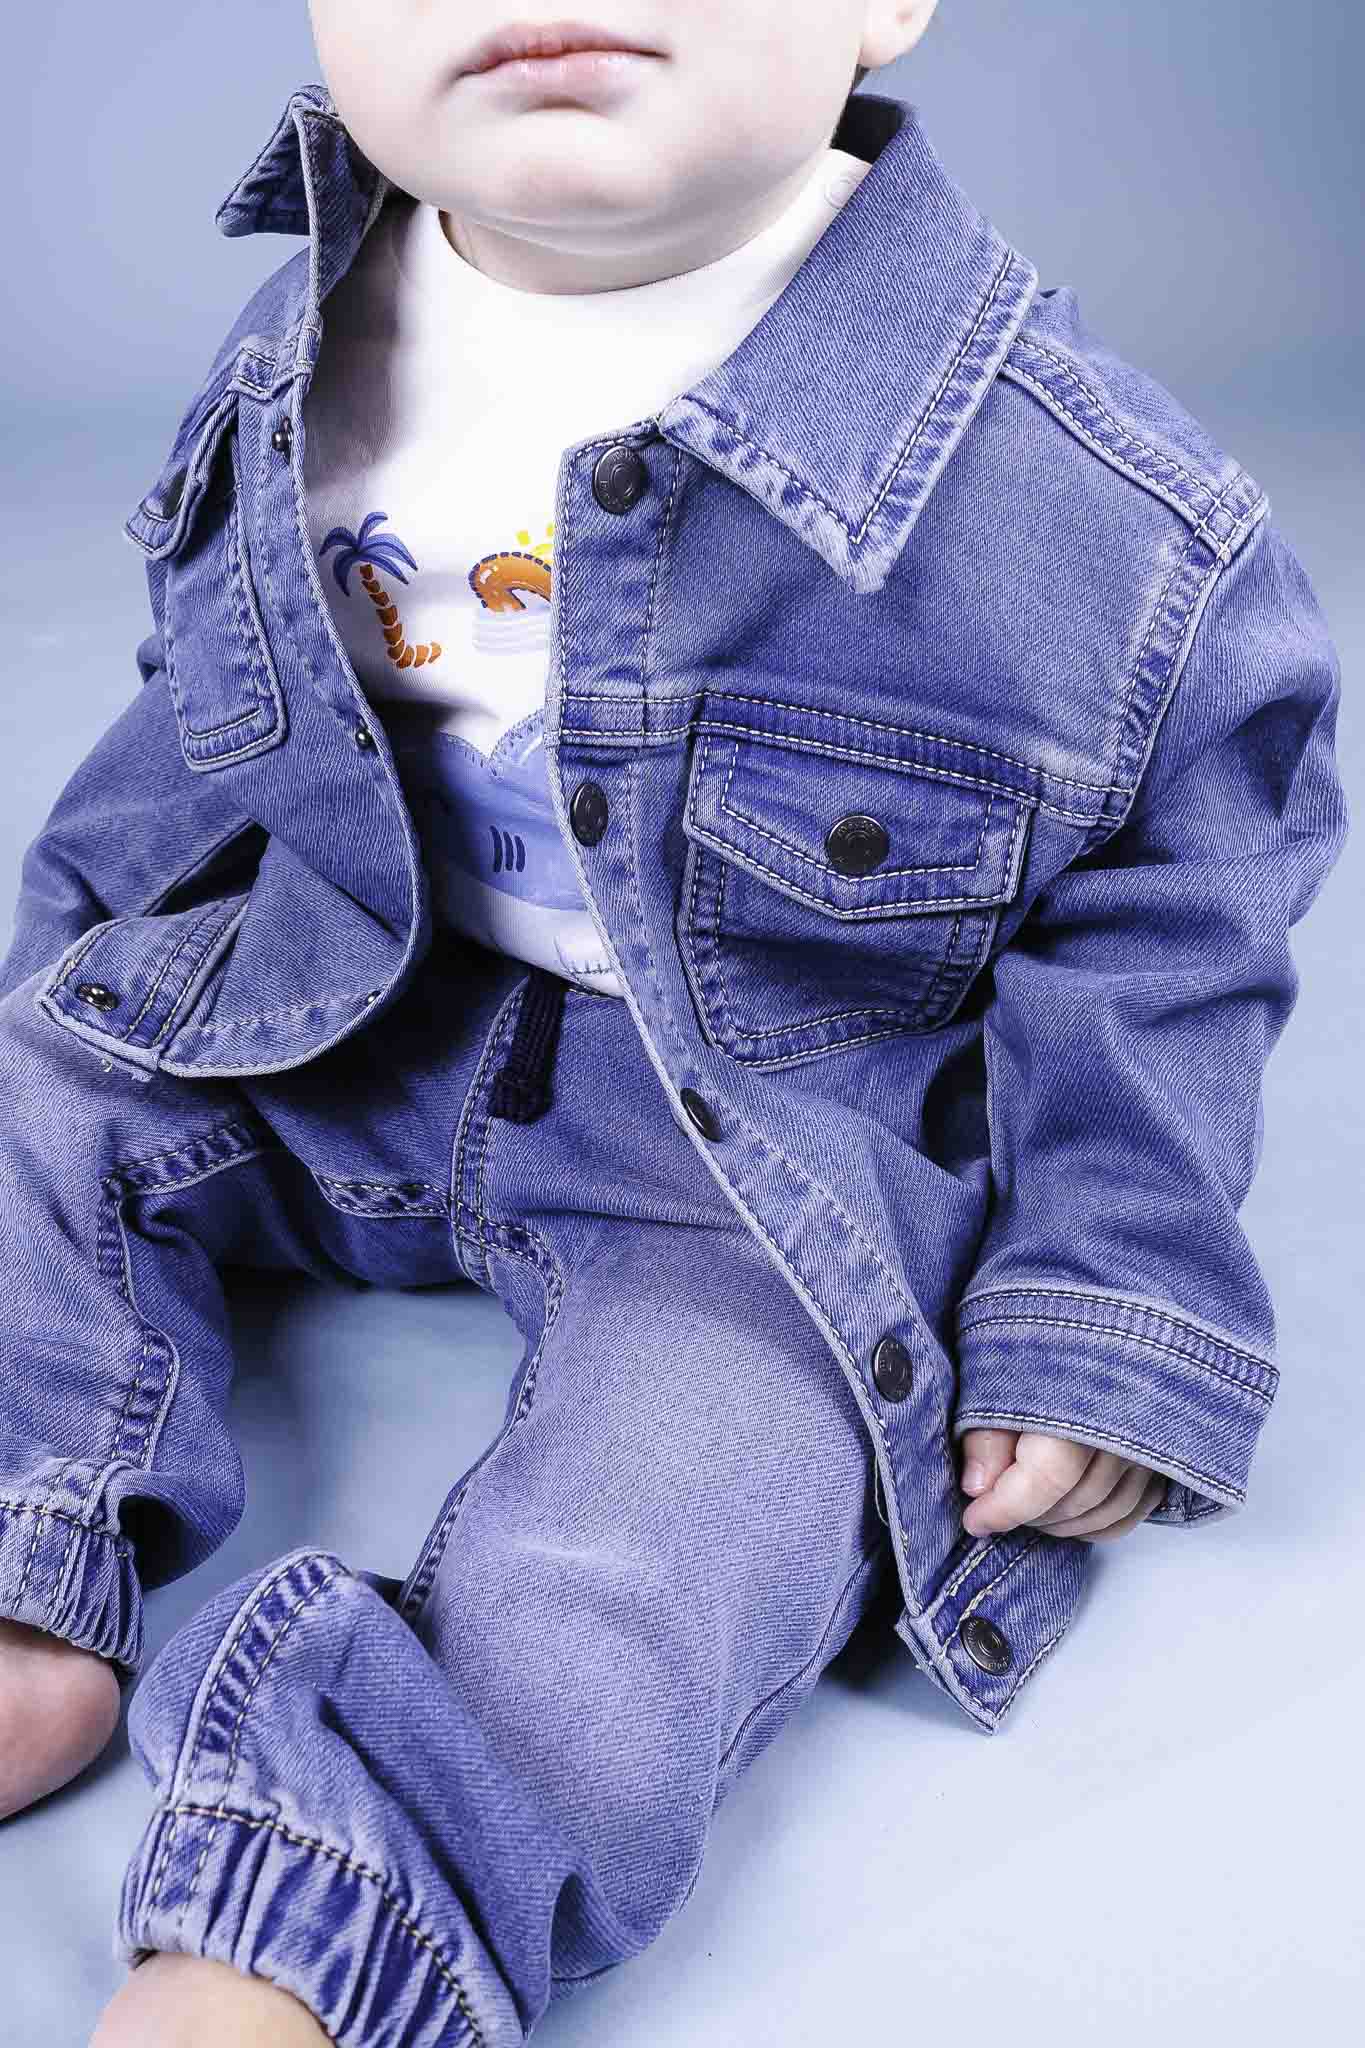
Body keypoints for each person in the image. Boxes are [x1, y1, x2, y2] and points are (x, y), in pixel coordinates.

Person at [0, 4, 1346, 2042]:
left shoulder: (1088, 504)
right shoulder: (308, 332)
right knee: (29, 1097)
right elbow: (214, 710)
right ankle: (28, 1548)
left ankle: (326, 1910)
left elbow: (1176, 921)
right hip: (335, 1001)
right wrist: (75, 980)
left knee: (679, 1500)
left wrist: (1102, 1297)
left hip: (750, 1138)